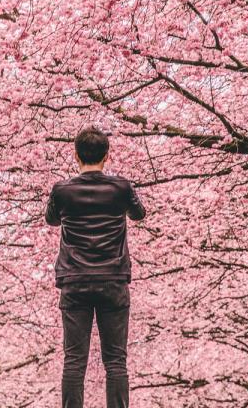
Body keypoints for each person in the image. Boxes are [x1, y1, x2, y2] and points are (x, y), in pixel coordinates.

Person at [45, 125, 147, 408]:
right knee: (115, 360)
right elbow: (139, 214)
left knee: (74, 361)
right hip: (113, 280)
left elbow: (51, 220)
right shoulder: (121, 188)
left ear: (76, 155)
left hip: (74, 279)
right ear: (107, 155)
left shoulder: (62, 190)